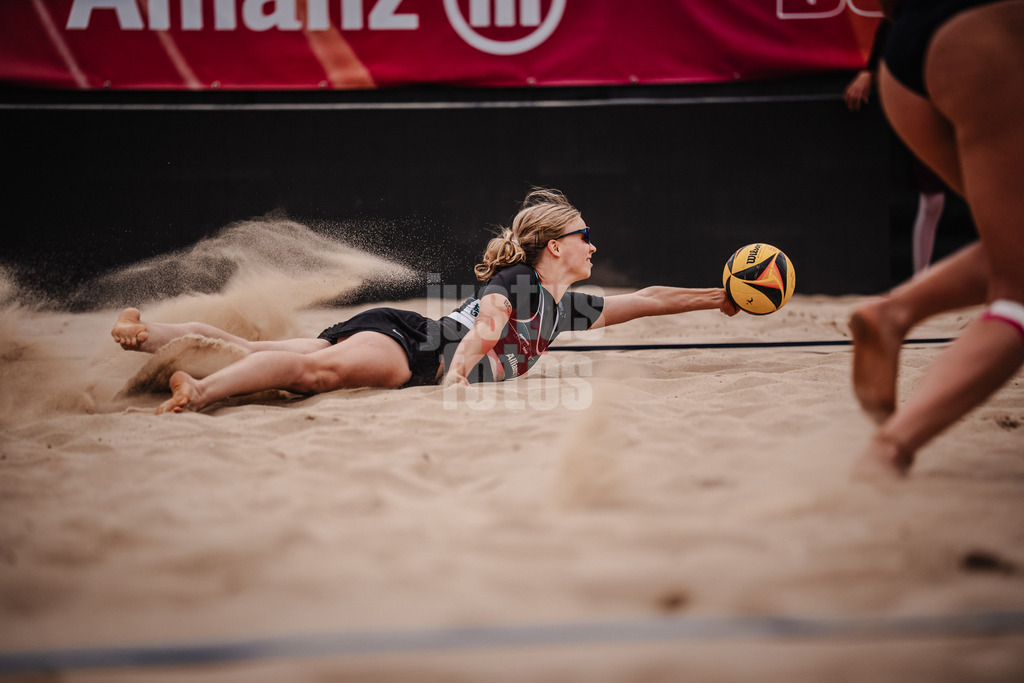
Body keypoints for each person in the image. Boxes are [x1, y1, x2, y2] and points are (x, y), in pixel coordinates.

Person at [112, 188, 738, 413]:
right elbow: (489, 325)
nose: (592, 247)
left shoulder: (562, 305)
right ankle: (199, 392)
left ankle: (154, 332)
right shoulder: (519, 284)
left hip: (408, 334)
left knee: (262, 350)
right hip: (418, 352)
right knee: (309, 373)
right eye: (584, 236)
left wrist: (721, 297)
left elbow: (650, 298)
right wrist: (458, 376)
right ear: (552, 248)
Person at [850, 0, 1024, 478]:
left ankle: (895, 311)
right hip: (980, 32)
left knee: (1014, 244)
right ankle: (891, 448)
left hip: (903, 52)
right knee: (1018, 290)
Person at [844, 16, 948, 274]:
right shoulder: (907, 17)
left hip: (957, 99)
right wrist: (869, 70)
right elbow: (892, 24)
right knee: (933, 199)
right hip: (926, 100)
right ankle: (920, 278)